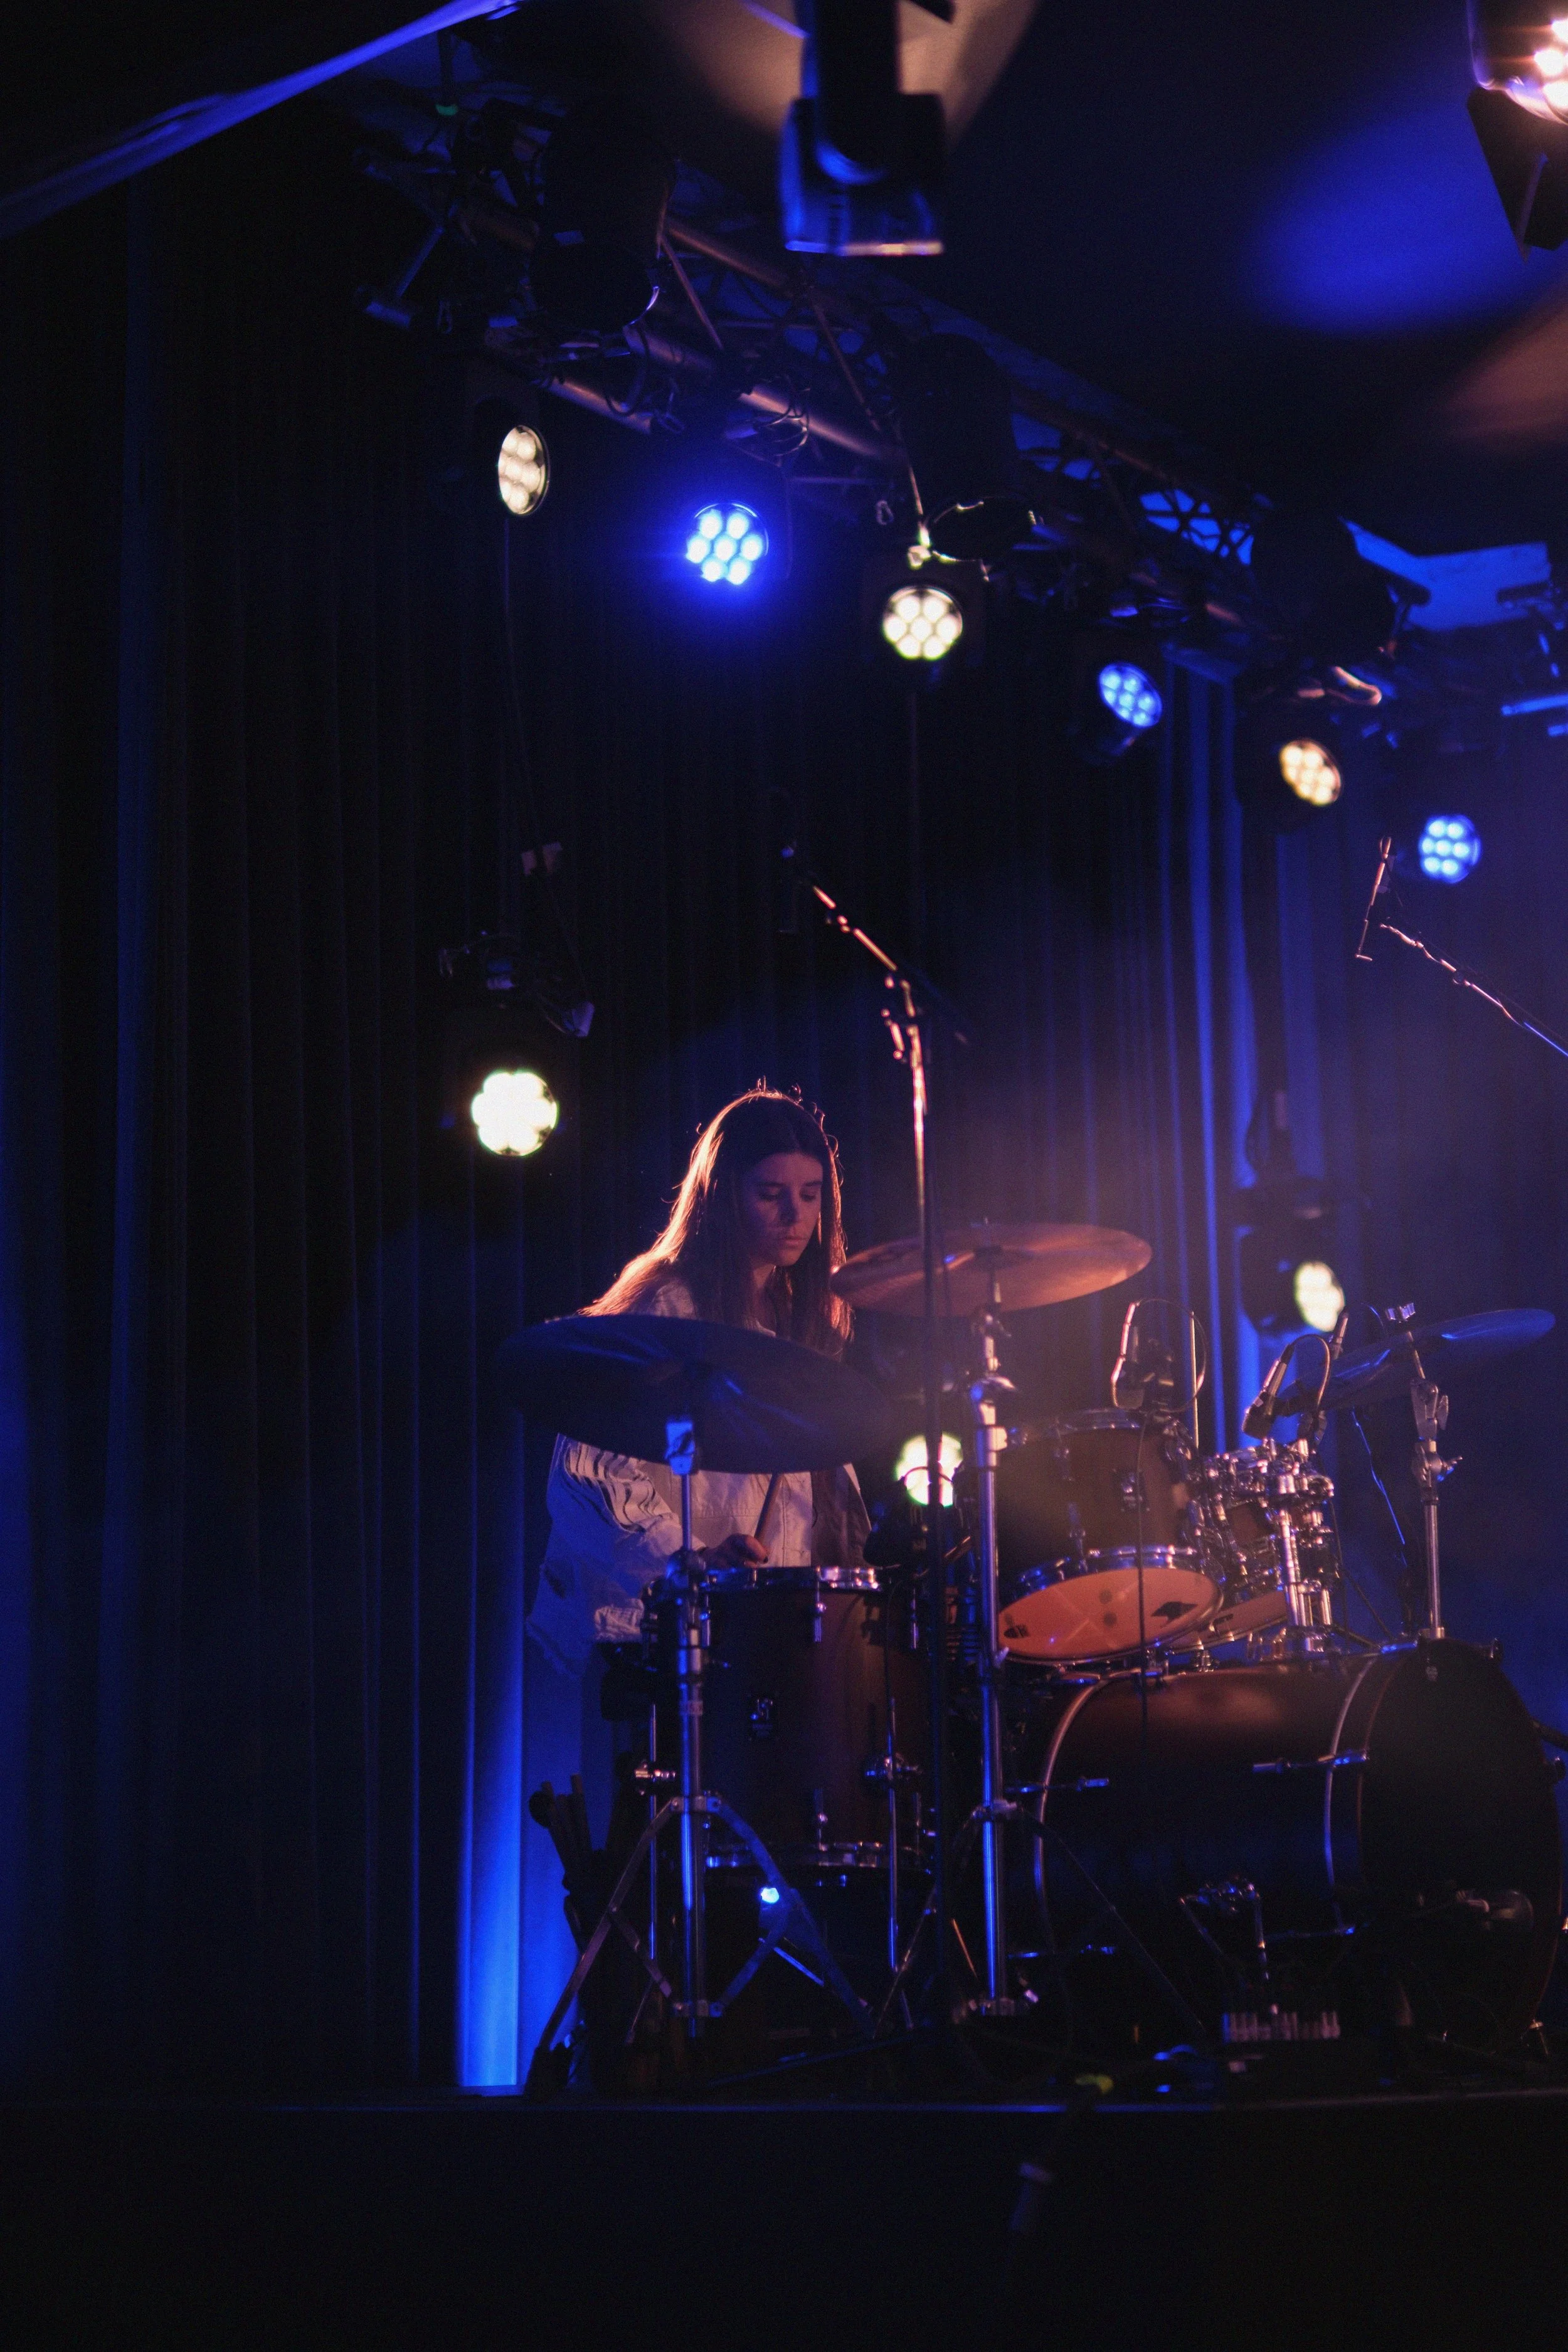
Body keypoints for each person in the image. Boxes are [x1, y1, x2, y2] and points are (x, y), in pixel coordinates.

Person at [527, 1087, 872, 1675]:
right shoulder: (666, 1310)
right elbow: (586, 1476)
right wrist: (689, 1561)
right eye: (771, 1195)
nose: (796, 1216)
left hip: (745, 1641)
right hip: (641, 1639)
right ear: (722, 1198)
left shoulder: (802, 1323)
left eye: (810, 1196)